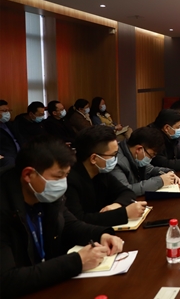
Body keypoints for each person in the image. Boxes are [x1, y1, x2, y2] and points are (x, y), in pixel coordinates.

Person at [0, 135, 123, 298]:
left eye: (66, 175)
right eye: (58, 177)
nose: (63, 184)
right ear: (28, 175)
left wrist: (102, 235)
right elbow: (6, 280)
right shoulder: (5, 207)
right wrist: (77, 261)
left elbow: (70, 224)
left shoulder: (44, 195)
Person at [65, 126, 143, 226]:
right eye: (113, 155)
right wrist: (124, 213)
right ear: (94, 158)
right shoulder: (70, 180)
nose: (116, 158)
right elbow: (79, 220)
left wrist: (116, 205)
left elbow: (127, 192)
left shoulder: (101, 172)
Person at [112, 127, 180, 196]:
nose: (151, 159)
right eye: (151, 155)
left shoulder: (135, 156)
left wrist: (168, 172)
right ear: (139, 149)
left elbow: (151, 169)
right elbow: (126, 191)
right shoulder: (115, 162)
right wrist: (160, 181)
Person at [0, 99, 20, 168]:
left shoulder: (10, 124)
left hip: (19, 155)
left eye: (8, 110)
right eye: (4, 111)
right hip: (6, 158)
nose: (7, 113)